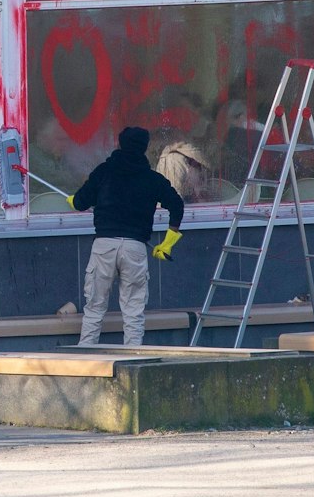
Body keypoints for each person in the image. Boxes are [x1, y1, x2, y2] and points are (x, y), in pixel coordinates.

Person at [71, 126, 184, 348]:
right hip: (135, 247)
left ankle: (85, 355)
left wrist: (74, 200)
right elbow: (176, 205)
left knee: (94, 307)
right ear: (144, 148)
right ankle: (133, 357)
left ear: (119, 144)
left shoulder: (104, 171)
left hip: (104, 245)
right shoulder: (152, 179)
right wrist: (168, 242)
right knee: (133, 310)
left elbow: (80, 203)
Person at [155, 139, 223, 204]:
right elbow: (172, 203)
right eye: (199, 169)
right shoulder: (174, 160)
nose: (201, 178)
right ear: (193, 163)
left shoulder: (175, 160)